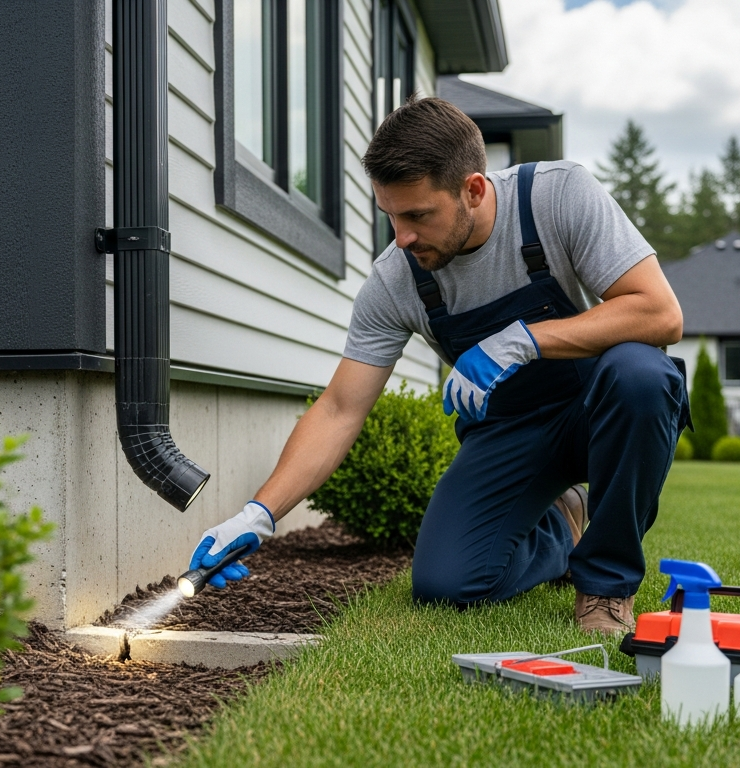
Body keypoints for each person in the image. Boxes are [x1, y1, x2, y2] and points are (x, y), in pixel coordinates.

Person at [186, 97, 689, 634]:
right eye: (391, 216)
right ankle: (563, 528)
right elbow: (339, 409)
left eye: (418, 215)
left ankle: (605, 587)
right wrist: (258, 515)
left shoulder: (557, 197)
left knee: (644, 374)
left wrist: (521, 340)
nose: (402, 236)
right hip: (509, 430)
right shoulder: (396, 280)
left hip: (599, 408)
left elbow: (660, 313)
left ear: (472, 189)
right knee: (445, 586)